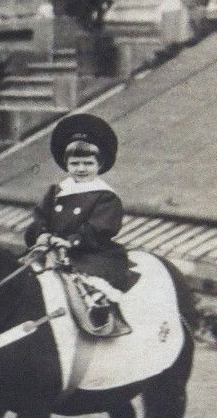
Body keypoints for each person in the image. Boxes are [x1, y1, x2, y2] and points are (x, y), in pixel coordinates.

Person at [25, 113, 137, 332]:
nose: (81, 168)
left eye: (88, 163)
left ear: (99, 164)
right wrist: (42, 234)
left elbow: (100, 228)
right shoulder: (58, 190)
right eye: (75, 163)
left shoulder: (104, 195)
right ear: (67, 164)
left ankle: (96, 308)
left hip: (89, 250)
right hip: (51, 247)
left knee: (86, 279)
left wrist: (71, 242)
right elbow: (41, 215)